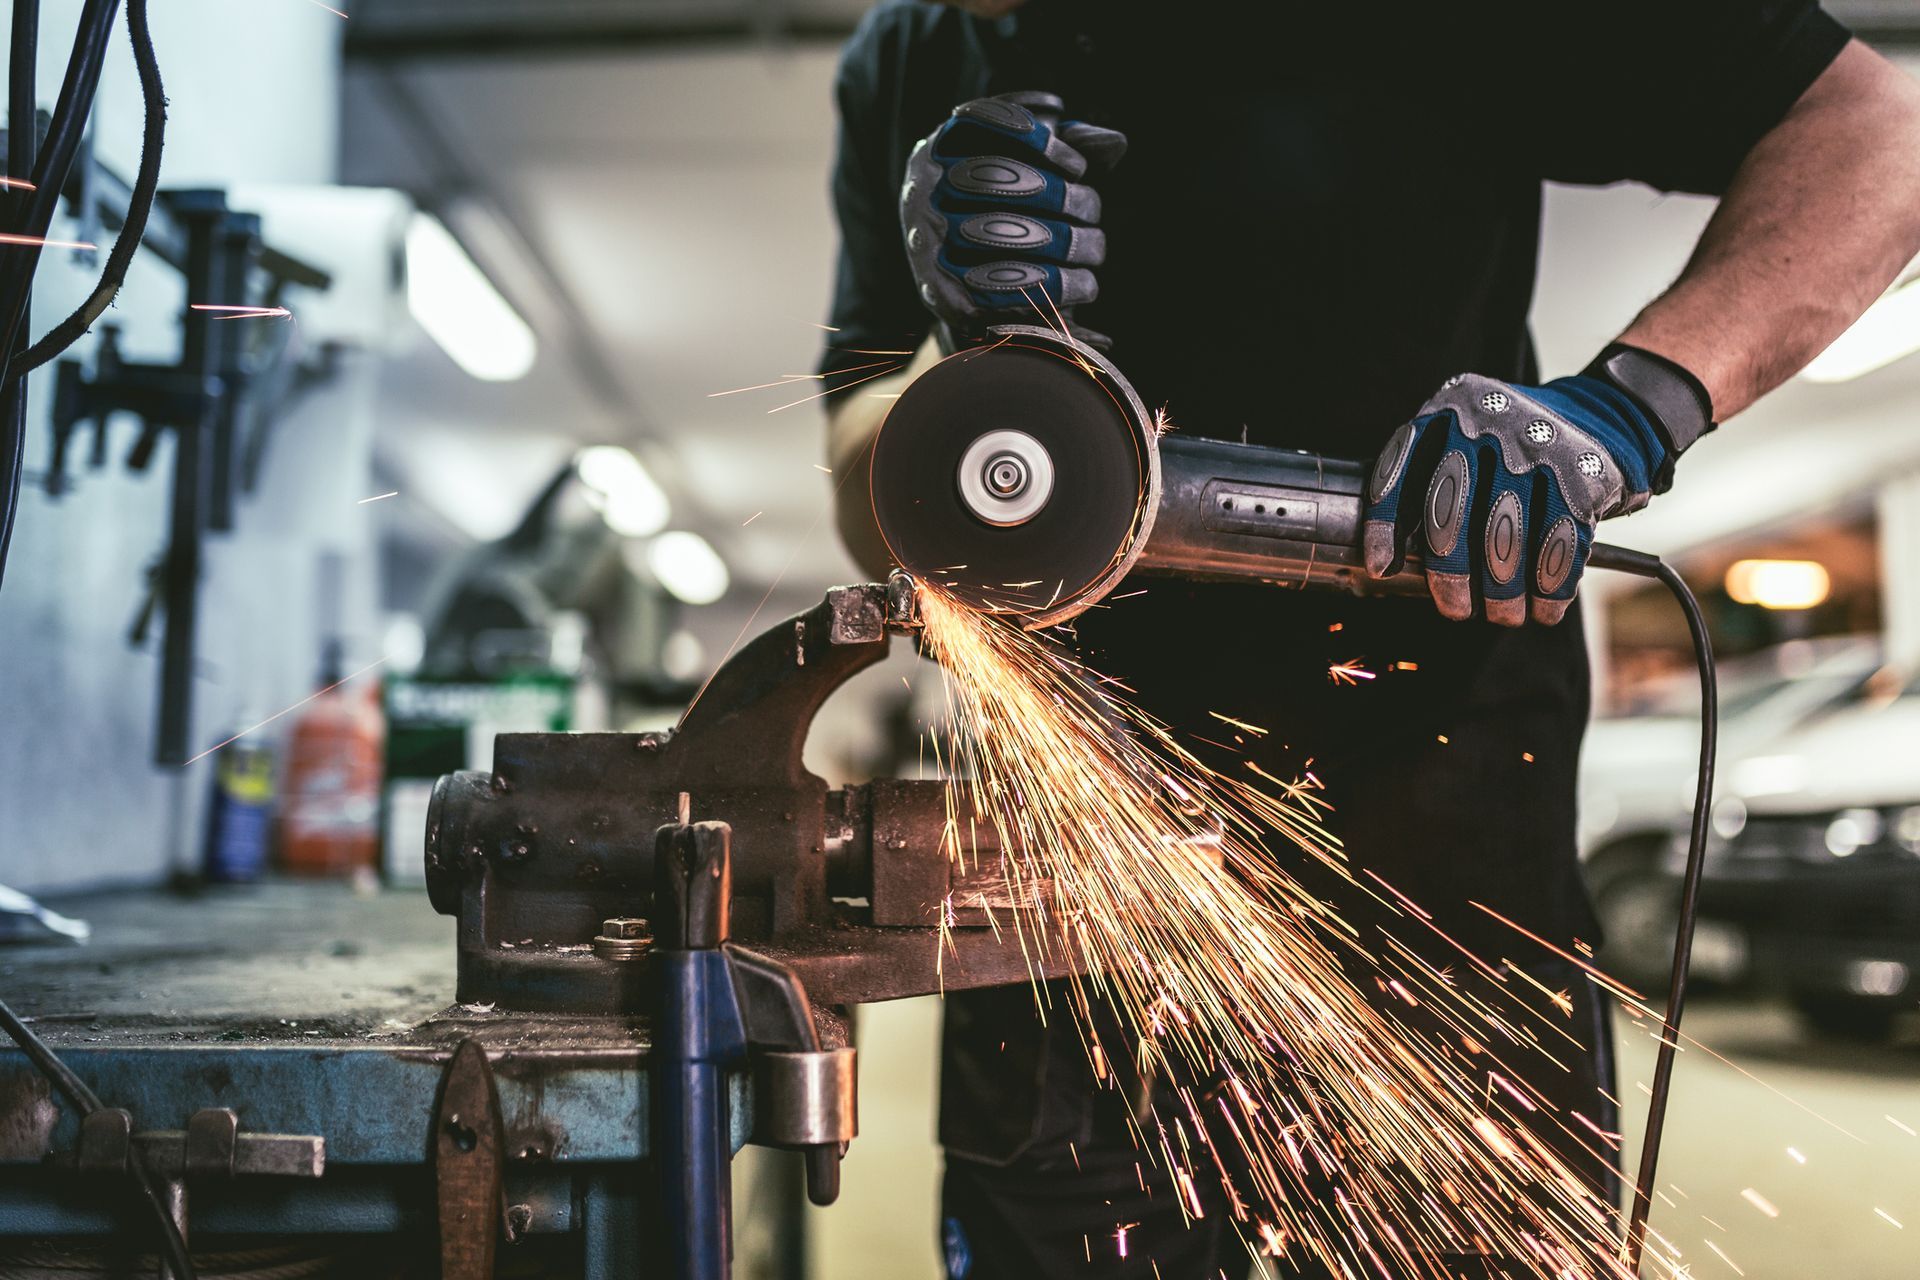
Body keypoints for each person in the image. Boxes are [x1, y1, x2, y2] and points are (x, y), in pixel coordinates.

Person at [817, 3, 1920, 1276]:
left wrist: (1626, 409)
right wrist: (955, 381)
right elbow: (858, 484)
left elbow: (1877, 137)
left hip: (1430, 811)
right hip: (1069, 852)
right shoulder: (902, 61)